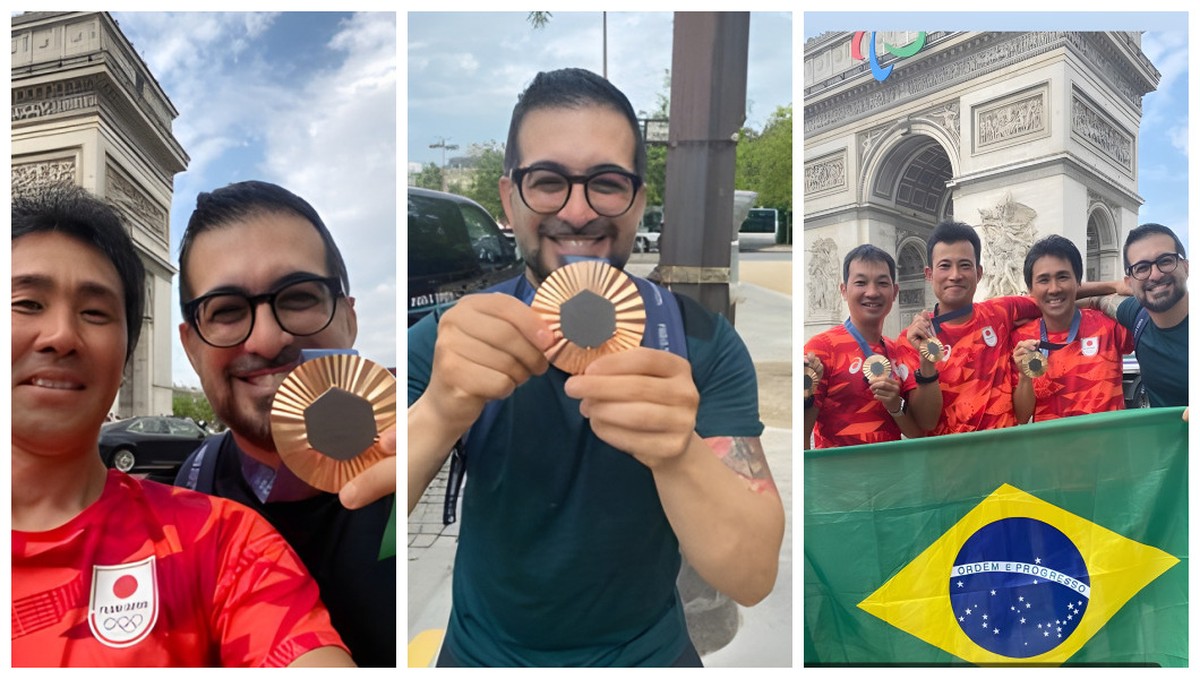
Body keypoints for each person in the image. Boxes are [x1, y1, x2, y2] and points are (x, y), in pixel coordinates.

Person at [407, 68, 785, 666]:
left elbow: (751, 574)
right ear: (509, 198)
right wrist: (440, 409)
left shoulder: (699, 342)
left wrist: (677, 452)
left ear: (637, 198)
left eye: (606, 183)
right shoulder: (454, 341)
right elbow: (363, 510)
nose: (578, 211)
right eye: (548, 181)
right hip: (481, 657)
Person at [11, 183, 352, 667]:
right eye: (25, 303)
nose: (62, 335)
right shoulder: (204, 475)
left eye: (94, 313)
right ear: (190, 346)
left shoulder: (220, 539)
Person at [173, 180, 396, 667]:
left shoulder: (419, 459)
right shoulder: (190, 492)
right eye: (228, 311)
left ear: (349, 318)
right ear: (191, 348)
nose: (269, 340)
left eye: (298, 298)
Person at [899, 220, 1040, 435]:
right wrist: (926, 362)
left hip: (1005, 460)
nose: (955, 275)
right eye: (945, 266)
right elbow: (926, 423)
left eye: (965, 265)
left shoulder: (1000, 312)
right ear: (929, 274)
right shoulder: (910, 340)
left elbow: (1053, 297)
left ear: (979, 272)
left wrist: (1105, 296)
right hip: (947, 464)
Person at [803, 245, 941, 449]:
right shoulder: (822, 348)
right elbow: (802, 434)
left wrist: (895, 404)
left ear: (894, 292)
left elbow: (916, 432)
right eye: (861, 282)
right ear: (843, 290)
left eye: (882, 283)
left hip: (893, 477)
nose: (872, 292)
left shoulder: (897, 350)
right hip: (837, 479)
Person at [1010, 235, 1132, 423]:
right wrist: (1025, 378)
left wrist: (1103, 295)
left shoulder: (1109, 326)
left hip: (1109, 449)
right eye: (1043, 280)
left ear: (1078, 282)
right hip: (1050, 450)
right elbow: (1022, 416)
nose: (1054, 288)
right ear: (1030, 289)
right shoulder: (1020, 340)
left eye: (1063, 277)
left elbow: (1152, 312)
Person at [1079, 223, 1188, 408]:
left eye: (1166, 261)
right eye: (1142, 268)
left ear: (1186, 267)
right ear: (1129, 283)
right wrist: (1113, 286)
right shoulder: (1137, 315)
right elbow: (1068, 297)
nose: (1155, 274)